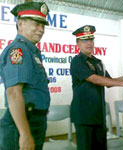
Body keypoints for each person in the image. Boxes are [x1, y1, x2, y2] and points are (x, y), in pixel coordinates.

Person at [70, 25, 123, 150]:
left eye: (91, 40)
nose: (89, 43)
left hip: (98, 114)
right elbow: (95, 79)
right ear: (78, 44)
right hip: (84, 115)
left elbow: (108, 82)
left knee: (101, 147)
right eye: (85, 40)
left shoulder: (98, 62)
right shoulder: (77, 61)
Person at [0, 2, 50, 150]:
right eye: (36, 24)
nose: (41, 30)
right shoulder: (18, 50)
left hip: (34, 121)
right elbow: (14, 93)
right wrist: (25, 134)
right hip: (22, 123)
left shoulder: (31, 51)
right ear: (20, 24)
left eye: (43, 26)